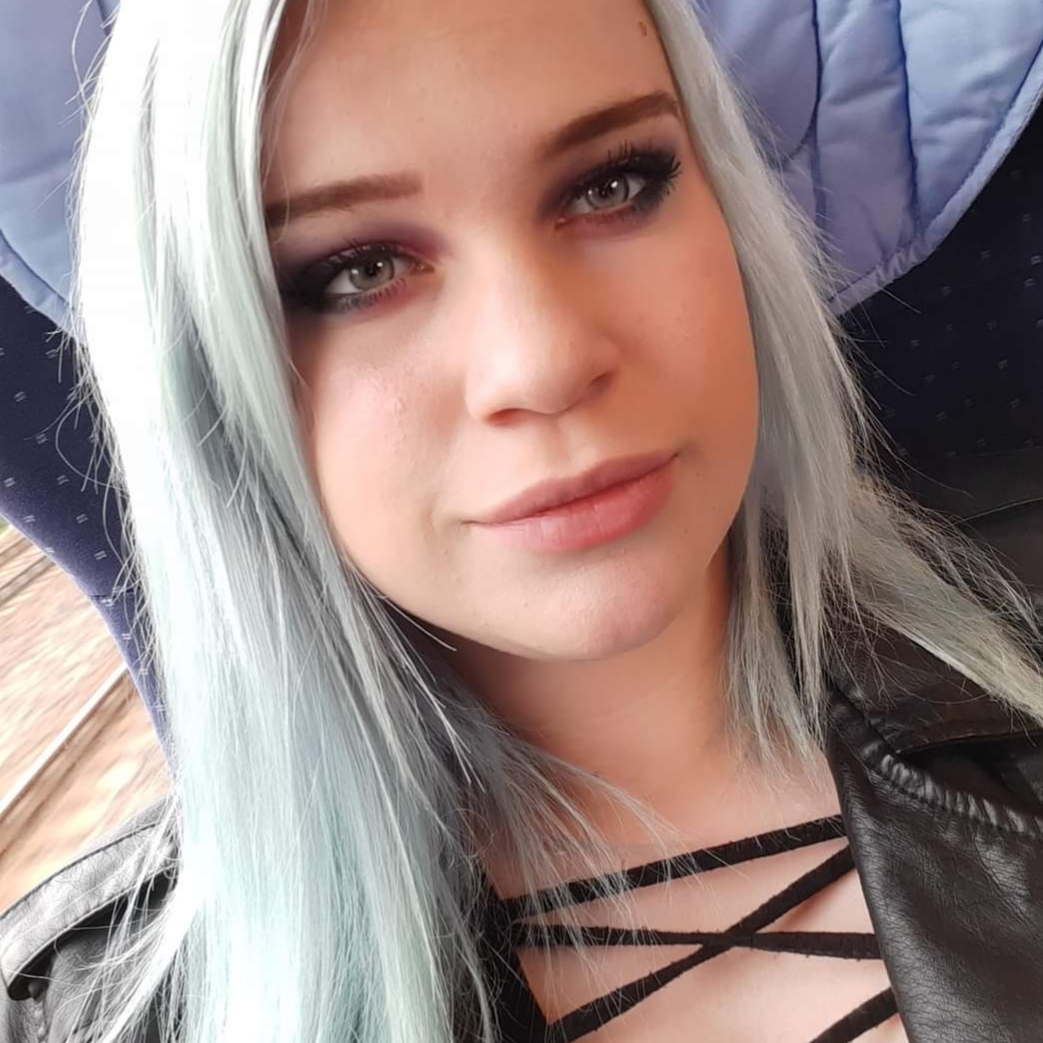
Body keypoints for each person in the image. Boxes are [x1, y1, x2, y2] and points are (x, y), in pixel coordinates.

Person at [2, 0, 1043, 1041]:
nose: (542, 361)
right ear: (214, 381)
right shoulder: (78, 1011)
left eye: (610, 185)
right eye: (359, 269)